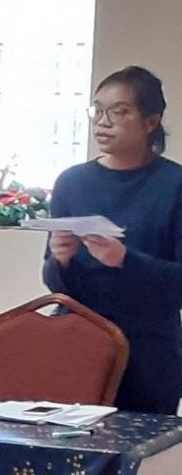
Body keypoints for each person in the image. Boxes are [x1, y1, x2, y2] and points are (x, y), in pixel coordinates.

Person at [44, 65, 182, 415]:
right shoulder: (71, 183)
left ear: (151, 121)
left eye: (119, 112)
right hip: (78, 339)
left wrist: (125, 259)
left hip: (148, 350)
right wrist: (59, 260)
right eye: (98, 110)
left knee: (140, 463)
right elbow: (56, 284)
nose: (103, 122)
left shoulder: (174, 184)